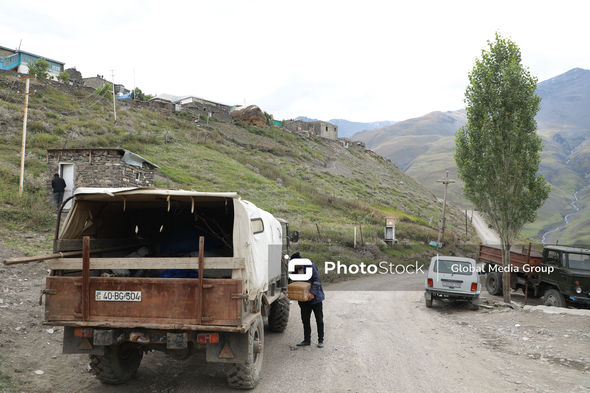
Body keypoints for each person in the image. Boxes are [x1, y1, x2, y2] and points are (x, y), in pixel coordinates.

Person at [291, 252, 325, 348]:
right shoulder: (295, 270)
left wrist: (312, 293)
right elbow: (294, 283)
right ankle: (307, 340)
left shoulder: (310, 266)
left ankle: (320, 340)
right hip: (303, 300)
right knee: (305, 320)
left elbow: (317, 280)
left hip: (315, 298)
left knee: (319, 319)